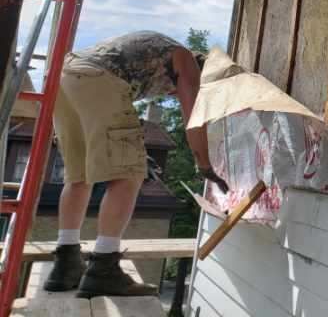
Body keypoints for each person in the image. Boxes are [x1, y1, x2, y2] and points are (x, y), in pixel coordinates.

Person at [43, 31, 228, 298]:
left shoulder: (159, 53)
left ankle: (65, 264)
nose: (175, 95)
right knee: (129, 174)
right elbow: (194, 119)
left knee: (79, 177)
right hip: (98, 80)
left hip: (65, 77)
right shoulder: (186, 61)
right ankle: (103, 269)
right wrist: (205, 165)